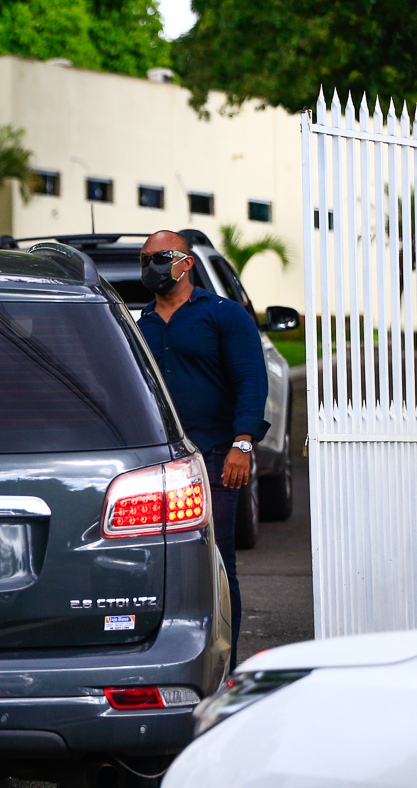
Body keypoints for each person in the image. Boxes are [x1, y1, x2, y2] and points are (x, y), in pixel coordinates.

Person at [136, 230, 268, 668]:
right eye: (146, 259)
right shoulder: (141, 325)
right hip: (160, 463)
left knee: (216, 560)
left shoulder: (224, 315)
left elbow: (252, 381)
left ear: (187, 263)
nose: (153, 265)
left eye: (162, 257)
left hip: (215, 456)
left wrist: (242, 443)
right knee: (163, 562)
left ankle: (226, 666)